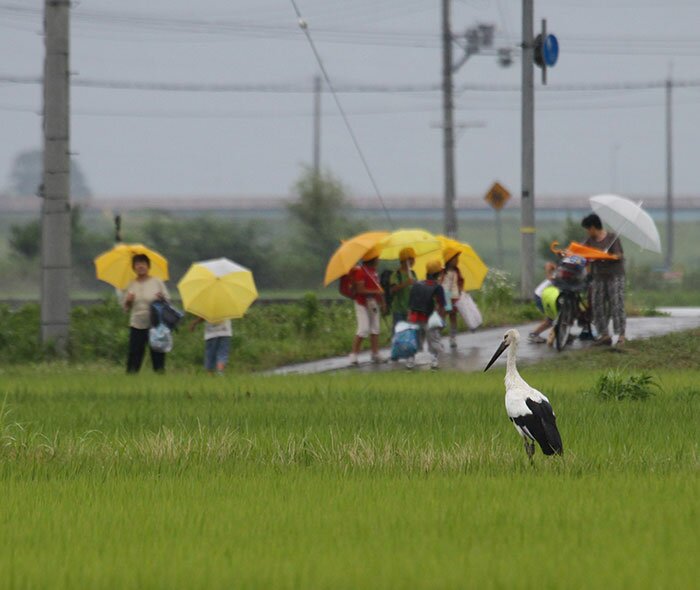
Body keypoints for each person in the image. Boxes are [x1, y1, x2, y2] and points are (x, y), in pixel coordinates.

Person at [581, 213, 626, 346]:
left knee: (616, 305)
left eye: (588, 229)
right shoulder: (589, 241)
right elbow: (584, 255)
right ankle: (604, 334)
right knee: (598, 305)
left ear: (594, 227)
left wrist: (606, 255)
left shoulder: (613, 238)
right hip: (598, 277)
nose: (588, 232)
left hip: (614, 276)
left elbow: (619, 255)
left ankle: (621, 335)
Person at [123, 253, 170, 373]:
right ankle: (131, 376)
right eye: (137, 264)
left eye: (143, 264)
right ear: (134, 267)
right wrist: (128, 301)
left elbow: (167, 301)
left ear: (148, 266)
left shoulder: (157, 282)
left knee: (157, 351)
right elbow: (126, 308)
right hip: (137, 323)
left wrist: (162, 298)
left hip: (155, 323)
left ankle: (160, 374)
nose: (140, 266)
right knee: (135, 351)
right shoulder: (131, 284)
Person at [406, 259, 447, 370]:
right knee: (434, 340)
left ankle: (410, 362)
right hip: (429, 318)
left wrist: (409, 316)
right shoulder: (438, 287)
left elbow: (410, 303)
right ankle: (434, 362)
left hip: (414, 317)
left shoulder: (417, 284)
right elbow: (441, 305)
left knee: (415, 340)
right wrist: (441, 320)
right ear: (438, 273)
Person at [349, 247, 385, 366]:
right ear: (372, 259)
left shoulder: (373, 272)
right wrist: (376, 292)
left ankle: (375, 354)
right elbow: (360, 289)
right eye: (377, 258)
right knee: (363, 328)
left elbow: (378, 288)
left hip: (373, 302)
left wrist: (382, 302)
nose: (378, 260)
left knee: (375, 328)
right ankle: (353, 355)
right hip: (362, 303)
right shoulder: (360, 271)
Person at [388, 247, 417, 331]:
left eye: (413, 259)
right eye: (410, 259)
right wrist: (406, 283)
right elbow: (392, 289)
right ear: (404, 260)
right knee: (399, 334)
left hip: (411, 310)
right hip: (399, 310)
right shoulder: (396, 274)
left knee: (410, 334)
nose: (413, 261)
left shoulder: (413, 274)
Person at [529, 261, 557, 343]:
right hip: (542, 296)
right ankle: (534, 334)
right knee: (552, 318)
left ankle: (562, 333)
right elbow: (548, 265)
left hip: (546, 295)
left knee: (555, 317)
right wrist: (550, 271)